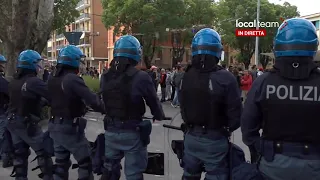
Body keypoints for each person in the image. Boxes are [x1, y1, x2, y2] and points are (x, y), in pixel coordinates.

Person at [241, 18, 320, 180]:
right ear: (313, 47)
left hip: (273, 163)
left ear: (278, 47)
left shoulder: (263, 81)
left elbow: (248, 127)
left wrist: (261, 149)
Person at [178, 28, 242, 180]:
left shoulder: (186, 75)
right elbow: (236, 116)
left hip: (191, 137)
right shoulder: (226, 78)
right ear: (218, 51)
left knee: (189, 175)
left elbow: (182, 105)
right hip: (215, 139)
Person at [100, 35, 165, 180]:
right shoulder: (141, 76)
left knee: (109, 171)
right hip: (132, 133)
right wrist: (158, 115)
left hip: (110, 131)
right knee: (134, 173)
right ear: (136, 54)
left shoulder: (105, 75)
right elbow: (153, 102)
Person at [47, 45, 105, 180]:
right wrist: (106, 109)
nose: (82, 64)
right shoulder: (72, 78)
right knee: (86, 163)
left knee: (61, 165)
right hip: (69, 128)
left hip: (54, 126)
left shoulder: (52, 78)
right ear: (73, 61)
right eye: (80, 61)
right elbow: (92, 100)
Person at [6, 50, 53, 180]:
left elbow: (24, 98)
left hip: (12, 121)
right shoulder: (33, 81)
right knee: (44, 152)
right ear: (31, 64)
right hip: (26, 123)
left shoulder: (14, 81)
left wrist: (41, 102)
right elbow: (52, 95)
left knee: (20, 155)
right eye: (38, 63)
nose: (41, 66)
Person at [0, 55, 13, 168]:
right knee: (4, 136)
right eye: (2, 64)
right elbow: (10, 94)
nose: (4, 66)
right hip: (1, 113)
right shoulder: (2, 81)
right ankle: (5, 157)